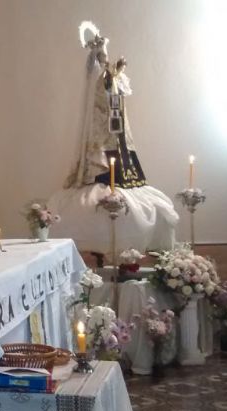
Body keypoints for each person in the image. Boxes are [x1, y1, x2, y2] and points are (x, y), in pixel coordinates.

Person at [47, 22, 178, 254]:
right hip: (101, 131)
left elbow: (116, 95)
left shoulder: (111, 77)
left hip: (116, 132)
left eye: (104, 54)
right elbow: (97, 102)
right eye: (101, 55)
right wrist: (109, 81)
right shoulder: (98, 81)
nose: (104, 58)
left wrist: (115, 79)